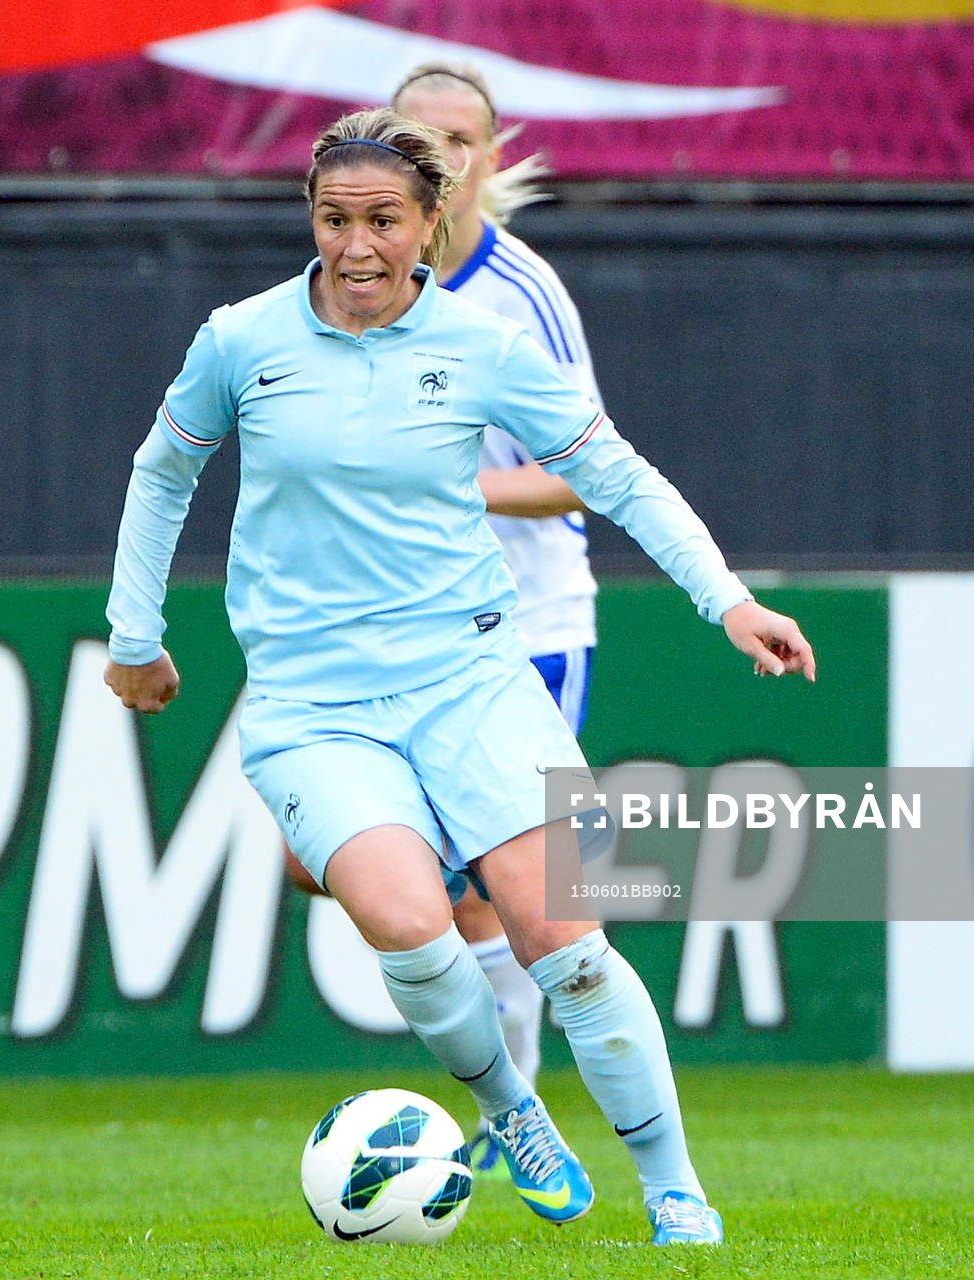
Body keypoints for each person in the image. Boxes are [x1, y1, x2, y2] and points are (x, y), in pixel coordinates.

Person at [105, 107, 815, 1246]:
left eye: (384, 220)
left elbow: (617, 476)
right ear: (312, 221)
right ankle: (508, 1105)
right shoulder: (242, 339)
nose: (357, 246)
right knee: (412, 919)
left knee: (567, 940)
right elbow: (160, 474)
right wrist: (133, 636)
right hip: (313, 704)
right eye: (336, 219)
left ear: (432, 223)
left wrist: (727, 599)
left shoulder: (482, 345)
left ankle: (676, 1189)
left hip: (471, 676)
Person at [284, 59, 605, 1186]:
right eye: (422, 137)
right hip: (392, 630)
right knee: (313, 857)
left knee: (504, 891)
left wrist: (452, 488)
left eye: (463, 139)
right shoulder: (346, 284)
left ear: (487, 155)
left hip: (527, 622)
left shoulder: (521, 291)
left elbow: (584, 473)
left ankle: (514, 1124)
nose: (444, 157)